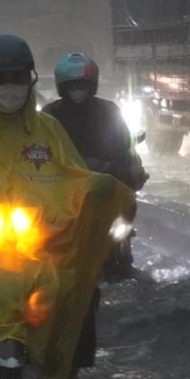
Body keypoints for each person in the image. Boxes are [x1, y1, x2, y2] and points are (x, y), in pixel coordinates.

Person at [0, 34, 135, 379]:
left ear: (30, 79)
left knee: (79, 288)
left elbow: (72, 176)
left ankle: (74, 364)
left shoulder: (48, 130)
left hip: (42, 244)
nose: (8, 88)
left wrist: (98, 188)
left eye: (16, 78)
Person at [42, 52, 149, 281]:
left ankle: (121, 258)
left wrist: (131, 172)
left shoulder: (109, 112)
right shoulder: (49, 116)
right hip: (62, 196)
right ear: (62, 87)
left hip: (104, 194)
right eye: (72, 85)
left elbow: (126, 149)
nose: (78, 91)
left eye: (83, 85)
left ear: (93, 85)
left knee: (121, 228)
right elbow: (36, 154)